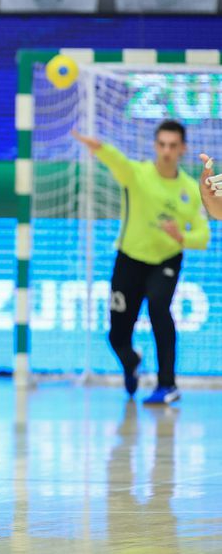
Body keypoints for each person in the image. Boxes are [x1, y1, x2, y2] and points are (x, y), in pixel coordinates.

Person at [73, 121, 209, 405]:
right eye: (162, 145)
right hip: (129, 259)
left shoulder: (190, 189)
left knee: (160, 307)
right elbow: (118, 161)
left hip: (166, 260)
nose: (166, 151)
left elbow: (203, 235)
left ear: (182, 149)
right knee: (117, 334)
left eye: (173, 146)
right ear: (155, 146)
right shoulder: (138, 175)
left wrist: (182, 236)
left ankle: (167, 384)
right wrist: (100, 147)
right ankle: (131, 360)